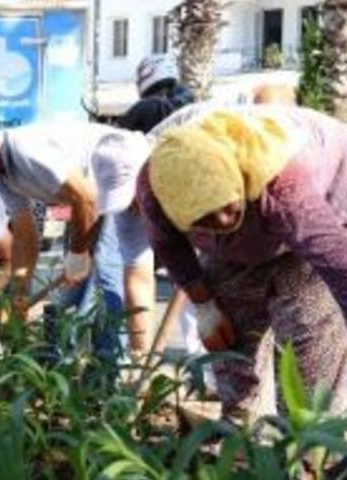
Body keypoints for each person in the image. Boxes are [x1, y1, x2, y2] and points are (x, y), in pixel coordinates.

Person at [137, 106, 347, 422]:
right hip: (255, 204)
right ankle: (239, 428)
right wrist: (204, 304)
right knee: (229, 322)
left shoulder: (283, 181)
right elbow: (168, 245)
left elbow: (341, 267)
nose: (222, 221)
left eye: (227, 207)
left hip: (332, 184)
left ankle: (306, 440)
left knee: (308, 320)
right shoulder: (157, 188)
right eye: (204, 218)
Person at [0, 115, 153, 363]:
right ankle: (128, 363)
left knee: (105, 271)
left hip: (120, 170)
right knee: (74, 290)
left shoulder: (25, 150)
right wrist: (19, 295)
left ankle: (111, 368)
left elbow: (86, 197)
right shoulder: (3, 176)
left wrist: (79, 253)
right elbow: (25, 237)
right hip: (93, 195)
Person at [118, 53, 196, 357]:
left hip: (146, 199)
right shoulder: (191, 104)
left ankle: (139, 354)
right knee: (195, 280)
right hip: (191, 198)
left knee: (138, 268)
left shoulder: (142, 109)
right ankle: (200, 363)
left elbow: (120, 153)